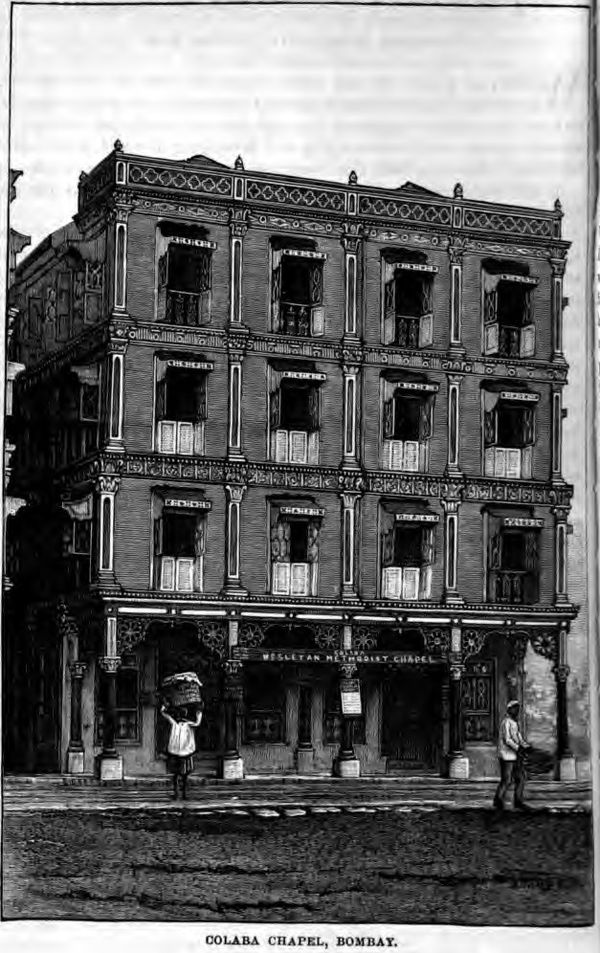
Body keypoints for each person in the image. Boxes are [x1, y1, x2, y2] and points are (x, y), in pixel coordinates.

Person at [494, 700, 531, 810]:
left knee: (520, 777)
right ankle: (498, 800)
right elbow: (507, 739)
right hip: (506, 756)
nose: (517, 711)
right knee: (507, 779)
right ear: (509, 710)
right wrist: (518, 748)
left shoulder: (515, 723)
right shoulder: (506, 722)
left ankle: (518, 800)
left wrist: (526, 746)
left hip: (515, 755)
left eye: (517, 709)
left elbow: (519, 738)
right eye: (514, 708)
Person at [160, 703, 202, 800]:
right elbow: (164, 714)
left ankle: (182, 793)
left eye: (182, 714)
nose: (180, 717)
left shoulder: (187, 724)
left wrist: (199, 712)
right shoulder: (175, 723)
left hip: (184, 753)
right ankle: (178, 793)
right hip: (177, 753)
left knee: (183, 775)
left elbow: (197, 723)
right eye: (179, 714)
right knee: (177, 774)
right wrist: (163, 708)